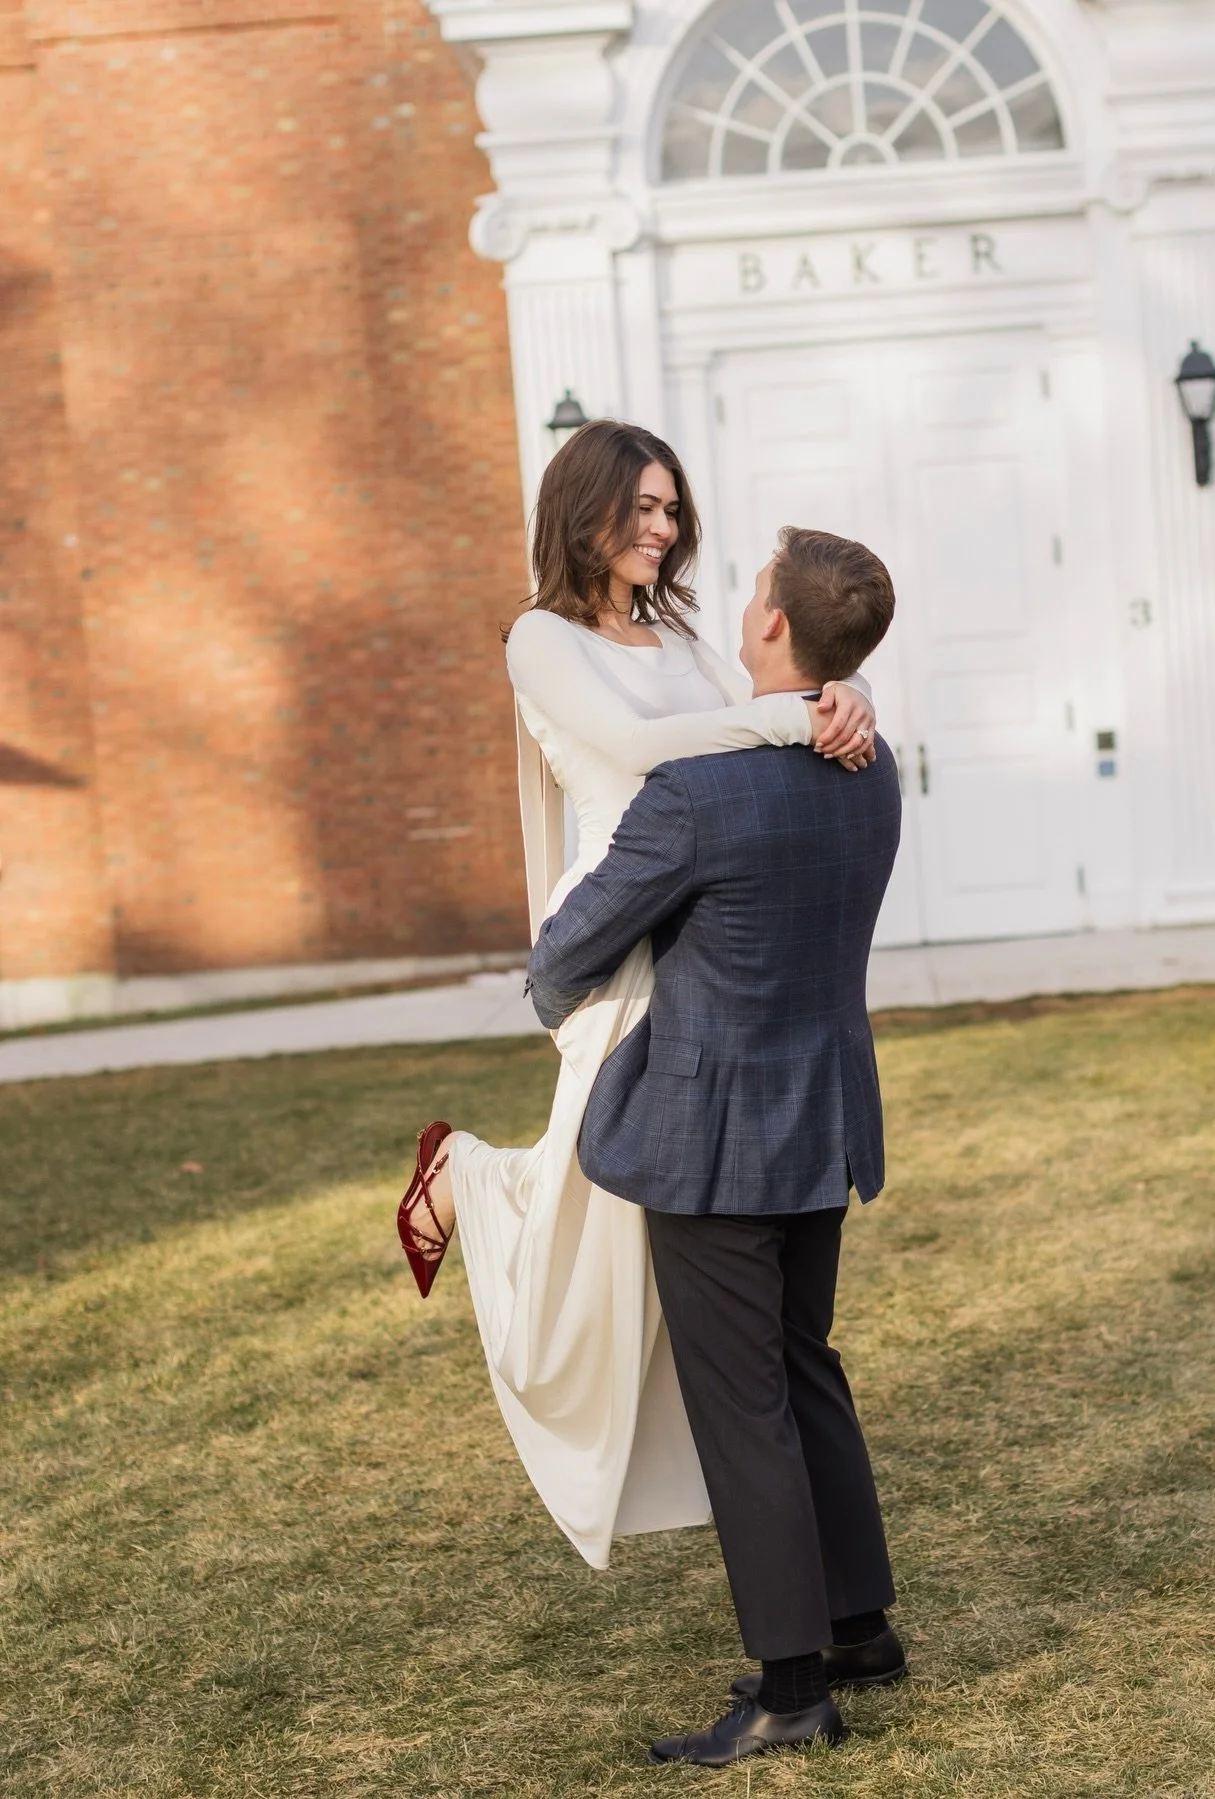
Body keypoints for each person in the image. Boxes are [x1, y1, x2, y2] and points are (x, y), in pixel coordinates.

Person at [393, 420, 878, 1571]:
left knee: (629, 1234)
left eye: (671, 508)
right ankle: (459, 1171)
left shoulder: (678, 631)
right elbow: (642, 745)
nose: (662, 527)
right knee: (590, 1223)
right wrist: (792, 716)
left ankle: (723, 1485)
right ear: (587, 509)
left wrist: (836, 691)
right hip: (619, 925)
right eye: (642, 507)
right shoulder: (542, 639)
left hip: (705, 927)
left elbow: (764, 710)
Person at [526, 527, 906, 1767]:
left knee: (743, 1402)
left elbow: (565, 952)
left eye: (752, 596)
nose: (739, 605)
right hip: (824, 1106)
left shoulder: (698, 792)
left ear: (775, 632)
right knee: (806, 1363)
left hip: (711, 1129)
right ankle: (859, 1627)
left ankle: (791, 1686)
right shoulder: (871, 760)